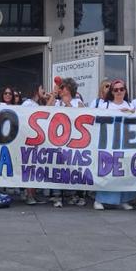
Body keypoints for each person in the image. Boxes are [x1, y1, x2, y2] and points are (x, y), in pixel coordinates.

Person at [93, 79, 135, 211]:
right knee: (106, 172)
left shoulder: (131, 105)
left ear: (125, 91)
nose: (119, 92)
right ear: (111, 92)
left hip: (125, 144)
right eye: (115, 90)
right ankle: (99, 200)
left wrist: (131, 114)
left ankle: (123, 200)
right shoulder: (105, 105)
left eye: (121, 89)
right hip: (108, 144)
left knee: (124, 172)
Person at [51, 77, 87, 208]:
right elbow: (45, 111)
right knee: (58, 168)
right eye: (60, 88)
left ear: (70, 89)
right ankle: (57, 196)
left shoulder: (78, 102)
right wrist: (54, 96)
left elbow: (82, 117)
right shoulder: (57, 103)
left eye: (62, 87)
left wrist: (68, 105)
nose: (60, 90)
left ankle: (77, 195)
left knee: (76, 168)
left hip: (75, 140)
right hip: (59, 140)